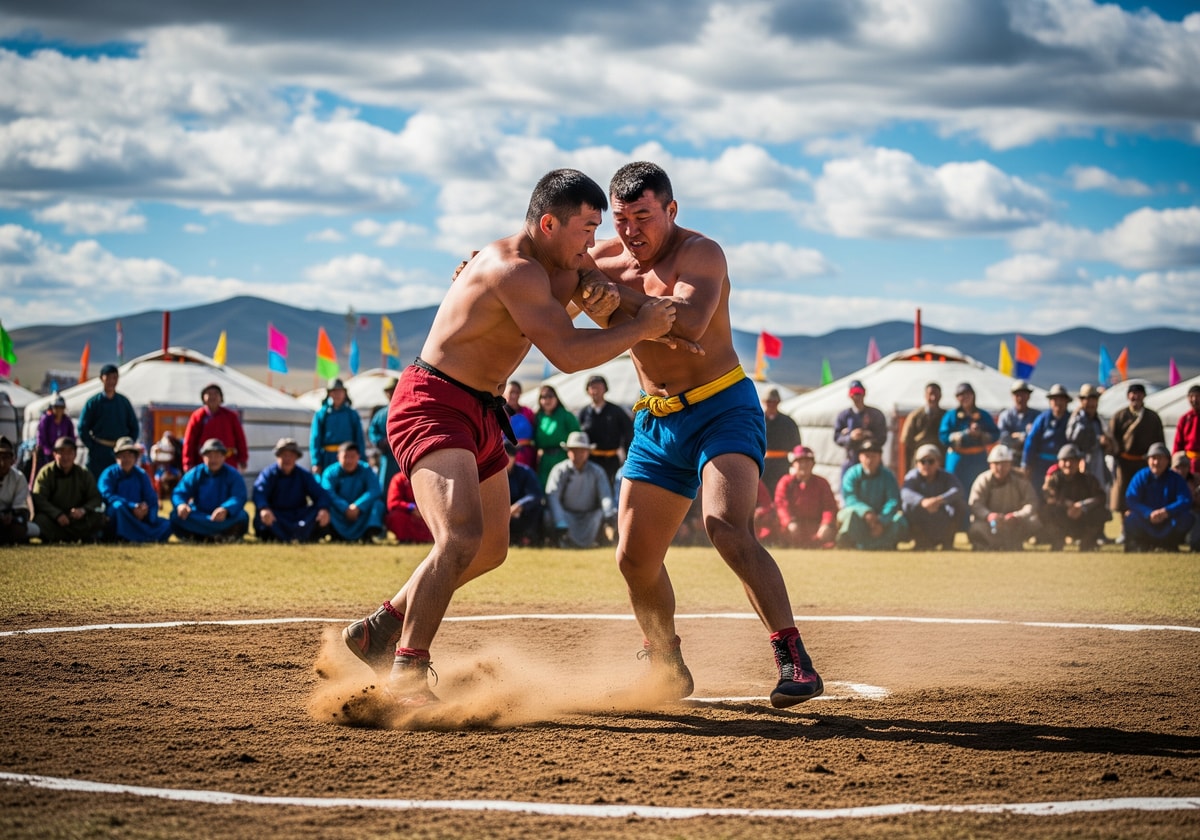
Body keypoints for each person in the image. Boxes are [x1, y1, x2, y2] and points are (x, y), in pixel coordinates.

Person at [342, 168, 677, 707]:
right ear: (548, 224)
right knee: (460, 538)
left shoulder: (560, 264)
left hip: (480, 408)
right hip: (433, 402)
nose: (592, 242)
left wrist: (602, 288)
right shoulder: (513, 269)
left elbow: (600, 281)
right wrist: (642, 326)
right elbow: (567, 355)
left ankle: (381, 627)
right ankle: (406, 670)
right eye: (586, 230)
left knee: (491, 548)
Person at [583, 161, 823, 708]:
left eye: (643, 216)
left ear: (670, 209)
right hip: (657, 418)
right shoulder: (599, 261)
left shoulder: (701, 253)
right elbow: (536, 282)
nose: (631, 231)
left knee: (725, 525)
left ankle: (794, 660)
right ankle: (666, 665)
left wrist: (609, 295)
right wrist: (486, 265)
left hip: (722, 407)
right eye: (621, 220)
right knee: (633, 558)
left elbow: (688, 321)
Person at [543, 431, 615, 548]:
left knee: (603, 515)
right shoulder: (559, 470)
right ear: (568, 452)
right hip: (566, 515)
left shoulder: (597, 471)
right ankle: (558, 541)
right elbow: (553, 497)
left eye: (582, 450)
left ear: (588, 452)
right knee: (547, 515)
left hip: (590, 517)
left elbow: (605, 495)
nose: (578, 454)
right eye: (574, 450)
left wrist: (608, 513)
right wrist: (560, 521)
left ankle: (598, 540)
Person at [170, 438, 249, 543]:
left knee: (242, 516)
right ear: (203, 457)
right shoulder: (195, 473)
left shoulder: (233, 475)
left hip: (224, 518)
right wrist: (181, 505)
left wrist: (226, 509)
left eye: (217, 455)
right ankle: (217, 535)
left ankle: (201, 535)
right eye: (209, 455)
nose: (213, 459)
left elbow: (239, 496)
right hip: (199, 514)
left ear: (223, 457)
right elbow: (179, 492)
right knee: (175, 515)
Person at [252, 438, 331, 543]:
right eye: (284, 455)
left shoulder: (303, 475)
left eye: (291, 455)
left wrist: (323, 508)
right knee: (262, 516)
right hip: (276, 514)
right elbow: (259, 493)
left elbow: (320, 494)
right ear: (278, 456)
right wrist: (264, 508)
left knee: (320, 513)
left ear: (296, 457)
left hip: (298, 514)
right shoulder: (268, 474)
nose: (287, 459)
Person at [32, 436, 107, 543]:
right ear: (54, 454)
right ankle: (72, 536)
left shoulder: (83, 473)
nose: (65, 457)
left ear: (75, 455)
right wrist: (57, 514)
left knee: (98, 517)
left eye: (69, 453)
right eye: (61, 452)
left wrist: (83, 510)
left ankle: (62, 536)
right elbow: (39, 499)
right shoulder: (46, 472)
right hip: (54, 519)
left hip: (77, 518)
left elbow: (95, 498)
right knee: (40, 520)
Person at [97, 437, 172, 543]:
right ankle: (141, 536)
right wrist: (132, 506)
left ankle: (134, 535)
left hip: (139, 517)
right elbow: (107, 495)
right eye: (123, 456)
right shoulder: (108, 474)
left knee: (167, 524)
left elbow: (151, 498)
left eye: (130, 456)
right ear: (117, 457)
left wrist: (145, 511)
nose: (127, 459)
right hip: (121, 514)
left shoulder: (141, 474)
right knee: (118, 507)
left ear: (135, 458)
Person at [837, 439, 908, 550]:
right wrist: (866, 512)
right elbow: (850, 498)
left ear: (879, 457)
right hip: (859, 516)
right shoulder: (852, 474)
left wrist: (881, 521)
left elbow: (893, 500)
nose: (869, 460)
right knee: (849, 516)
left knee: (898, 520)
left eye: (873, 456)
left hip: (881, 517)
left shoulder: (888, 476)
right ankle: (853, 543)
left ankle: (883, 544)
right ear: (860, 457)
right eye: (866, 456)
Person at [1123, 442, 1194, 553]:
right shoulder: (1140, 476)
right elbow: (1131, 499)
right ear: (1148, 460)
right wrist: (1148, 513)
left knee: (1187, 517)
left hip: (1169, 520)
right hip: (1146, 520)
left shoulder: (1176, 478)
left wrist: (1167, 511)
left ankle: (1170, 544)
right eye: (1153, 458)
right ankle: (1141, 544)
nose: (1156, 462)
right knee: (1131, 518)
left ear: (1167, 460)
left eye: (1160, 458)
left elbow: (1185, 500)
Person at [967, 444, 1040, 551]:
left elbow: (1031, 502)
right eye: (996, 464)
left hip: (1014, 522)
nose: (1000, 468)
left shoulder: (1020, 480)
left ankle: (1013, 542)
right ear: (990, 465)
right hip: (989, 523)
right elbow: (976, 504)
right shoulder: (982, 480)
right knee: (975, 528)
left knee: (1034, 522)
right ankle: (995, 544)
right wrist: (989, 515)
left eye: (1004, 464)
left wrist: (1017, 516)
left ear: (1010, 464)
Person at [1109, 382, 1165, 519]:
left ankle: (1144, 524)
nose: (1136, 397)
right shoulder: (1119, 416)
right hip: (1124, 463)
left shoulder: (1152, 417)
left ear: (1144, 396)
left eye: (1139, 393)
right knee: (1123, 495)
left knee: (1145, 493)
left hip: (1145, 463)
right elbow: (1112, 439)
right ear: (1128, 396)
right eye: (1133, 394)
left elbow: (1159, 441)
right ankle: (1124, 525)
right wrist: (1116, 455)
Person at [1041, 444, 1108, 552]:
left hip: (1084, 520)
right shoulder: (1055, 479)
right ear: (1059, 462)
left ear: (1079, 462)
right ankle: (1057, 542)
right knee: (1046, 511)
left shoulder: (1088, 479)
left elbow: (1101, 497)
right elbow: (1047, 495)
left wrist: (1082, 506)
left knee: (1101, 512)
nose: (1068, 464)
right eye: (1065, 460)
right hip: (1062, 518)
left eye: (1072, 460)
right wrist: (1067, 504)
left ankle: (1087, 542)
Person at [76, 363, 138, 477]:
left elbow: (134, 427)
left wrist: (127, 446)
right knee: (96, 481)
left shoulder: (123, 402)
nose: (111, 381)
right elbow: (82, 427)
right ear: (101, 378)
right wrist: (92, 446)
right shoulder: (93, 403)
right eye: (108, 377)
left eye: (115, 378)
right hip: (99, 452)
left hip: (121, 453)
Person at [900, 443, 965, 551]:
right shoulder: (912, 476)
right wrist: (922, 501)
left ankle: (947, 543)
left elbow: (958, 490)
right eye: (923, 461)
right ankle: (920, 542)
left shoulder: (946, 476)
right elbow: (905, 492)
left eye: (931, 461)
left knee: (960, 505)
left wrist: (939, 500)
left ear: (938, 462)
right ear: (917, 464)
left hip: (941, 518)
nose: (927, 465)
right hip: (921, 519)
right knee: (906, 506)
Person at [576, 374, 634, 490]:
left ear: (605, 389)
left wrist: (629, 457)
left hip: (611, 460)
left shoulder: (616, 411)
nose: (595, 391)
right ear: (587, 391)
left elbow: (628, 434)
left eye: (599, 387)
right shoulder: (584, 413)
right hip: (590, 460)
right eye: (592, 387)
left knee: (611, 488)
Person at [773, 445, 837, 549]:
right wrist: (789, 522)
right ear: (793, 464)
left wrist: (826, 524)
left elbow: (829, 506)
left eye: (807, 462)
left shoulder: (822, 483)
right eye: (799, 462)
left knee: (828, 533)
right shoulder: (786, 482)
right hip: (792, 527)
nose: (803, 465)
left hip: (815, 527)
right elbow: (781, 505)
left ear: (813, 464)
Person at [320, 441, 384, 543]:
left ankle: (368, 535)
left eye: (352, 457)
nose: (349, 461)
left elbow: (375, 490)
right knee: (325, 507)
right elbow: (328, 493)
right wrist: (345, 508)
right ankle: (334, 534)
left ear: (358, 457)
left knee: (378, 504)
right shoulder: (329, 472)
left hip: (360, 512)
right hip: (339, 512)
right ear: (338, 457)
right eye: (345, 457)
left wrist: (358, 506)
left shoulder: (366, 469)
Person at [940, 382, 999, 491]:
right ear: (957, 398)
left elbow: (995, 433)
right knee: (955, 489)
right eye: (961, 395)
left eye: (968, 394)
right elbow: (943, 436)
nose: (965, 397)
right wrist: (963, 435)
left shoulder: (983, 415)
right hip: (957, 458)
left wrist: (981, 434)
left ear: (973, 396)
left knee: (980, 488)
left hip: (978, 459)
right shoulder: (951, 416)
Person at [1022, 384, 1073, 503]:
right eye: (1055, 399)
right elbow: (1031, 442)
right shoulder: (1042, 419)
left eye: (1061, 399)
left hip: (1064, 465)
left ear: (1066, 402)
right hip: (1041, 465)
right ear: (1050, 402)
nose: (1058, 403)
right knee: (1039, 492)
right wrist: (1026, 464)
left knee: (1062, 493)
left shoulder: (1071, 419)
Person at [182, 383, 249, 472]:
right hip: (204, 463)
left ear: (221, 398)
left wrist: (243, 459)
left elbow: (240, 439)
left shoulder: (230, 416)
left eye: (216, 394)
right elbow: (189, 442)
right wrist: (188, 463)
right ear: (203, 397)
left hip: (227, 462)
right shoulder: (197, 416)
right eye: (209, 394)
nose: (212, 397)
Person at [1066, 383, 1112, 503]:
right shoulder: (1078, 419)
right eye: (1087, 400)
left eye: (1093, 399)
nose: (1091, 403)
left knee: (1099, 492)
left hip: (1098, 462)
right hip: (1083, 462)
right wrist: (1097, 440)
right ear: (1082, 401)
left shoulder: (1098, 420)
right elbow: (1073, 439)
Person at [310, 378, 365, 475]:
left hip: (349, 458)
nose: (337, 394)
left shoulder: (352, 414)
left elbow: (359, 438)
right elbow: (315, 438)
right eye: (334, 391)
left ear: (345, 393)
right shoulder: (321, 414)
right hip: (328, 458)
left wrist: (361, 458)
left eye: (340, 391)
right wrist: (316, 462)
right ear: (329, 394)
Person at [834, 379, 888, 476]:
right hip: (851, 458)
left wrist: (867, 435)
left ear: (864, 393)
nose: (856, 396)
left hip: (871, 459)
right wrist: (850, 437)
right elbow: (837, 437)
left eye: (859, 393)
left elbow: (882, 437)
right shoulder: (844, 416)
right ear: (849, 395)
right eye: (854, 393)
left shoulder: (875, 414)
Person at [534, 384, 580, 487]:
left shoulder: (566, 415)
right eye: (543, 397)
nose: (547, 400)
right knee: (544, 487)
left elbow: (577, 437)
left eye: (550, 396)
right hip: (545, 461)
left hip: (562, 457)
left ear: (556, 398)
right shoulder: (538, 417)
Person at [761, 388, 802, 493]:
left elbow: (797, 444)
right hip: (762, 463)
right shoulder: (758, 420)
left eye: (774, 401)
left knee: (781, 491)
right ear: (763, 402)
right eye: (769, 401)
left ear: (778, 402)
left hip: (781, 464)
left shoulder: (788, 422)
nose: (771, 404)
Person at [504, 440, 543, 546]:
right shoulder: (492, 474)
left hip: (520, 514)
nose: (507, 460)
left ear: (514, 457)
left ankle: (526, 538)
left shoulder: (525, 472)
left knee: (537, 508)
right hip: (499, 515)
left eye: (510, 456)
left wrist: (518, 506)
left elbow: (535, 494)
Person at [899, 382, 944, 470]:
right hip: (920, 456)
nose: (933, 398)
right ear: (925, 395)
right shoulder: (915, 415)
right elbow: (906, 439)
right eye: (930, 394)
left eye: (936, 394)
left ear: (940, 396)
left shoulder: (945, 416)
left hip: (939, 457)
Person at [368, 378, 400, 500]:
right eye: (389, 391)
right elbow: (372, 432)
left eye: (393, 390)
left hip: (405, 455)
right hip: (387, 456)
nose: (391, 394)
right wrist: (381, 441)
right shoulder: (380, 415)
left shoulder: (409, 410)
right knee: (385, 485)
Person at [0, 435, 36, 545]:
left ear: (13, 460)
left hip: (9, 518)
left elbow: (19, 506)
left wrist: (10, 516)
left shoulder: (18, 477)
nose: (1, 462)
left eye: (5, 457)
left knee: (32, 529)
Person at [385, 469, 434, 545]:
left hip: (424, 514)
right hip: (406, 513)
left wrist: (423, 509)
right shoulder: (398, 479)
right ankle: (405, 539)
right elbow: (393, 502)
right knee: (395, 517)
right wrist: (411, 507)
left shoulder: (425, 478)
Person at [996, 380, 1037, 456]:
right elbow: (1002, 436)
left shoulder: (1036, 416)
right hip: (1009, 456)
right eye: (1017, 395)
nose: (1020, 398)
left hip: (1031, 455)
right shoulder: (1005, 416)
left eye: (1023, 395)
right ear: (1012, 396)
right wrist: (1016, 439)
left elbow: (1039, 435)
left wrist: (1021, 436)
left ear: (1029, 396)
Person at [503, 381, 538, 469]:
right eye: (511, 392)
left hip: (526, 457)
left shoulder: (528, 412)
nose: (514, 396)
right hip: (505, 456)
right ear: (504, 393)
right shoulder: (498, 413)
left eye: (517, 392)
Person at [35, 393, 75, 471]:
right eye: (56, 407)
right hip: (47, 454)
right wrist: (49, 451)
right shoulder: (46, 420)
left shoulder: (67, 421)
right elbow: (41, 437)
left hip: (63, 454)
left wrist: (69, 450)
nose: (59, 410)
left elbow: (71, 438)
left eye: (61, 407)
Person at [1170, 451, 1200, 551]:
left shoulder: (1196, 480)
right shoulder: (1167, 480)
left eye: (1184, 466)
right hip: (1172, 515)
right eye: (1177, 467)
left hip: (1193, 513)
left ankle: (1195, 544)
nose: (1181, 470)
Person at [1172, 384, 1200, 475]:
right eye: (1191, 396)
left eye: (1197, 396)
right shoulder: (1184, 419)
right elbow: (1177, 444)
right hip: (1187, 464)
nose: (1194, 399)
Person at [148, 431, 183, 501]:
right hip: (161, 469)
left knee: (179, 476)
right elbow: (154, 459)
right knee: (157, 479)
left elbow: (173, 457)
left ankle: (178, 494)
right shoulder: (157, 446)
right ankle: (159, 497)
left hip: (171, 468)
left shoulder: (174, 446)